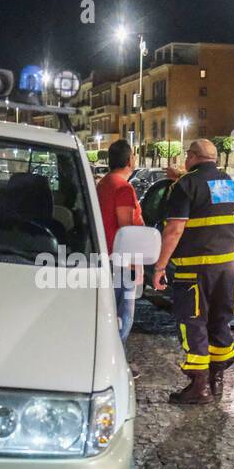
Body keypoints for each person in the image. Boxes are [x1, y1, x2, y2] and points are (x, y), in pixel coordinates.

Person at [152, 139, 234, 405]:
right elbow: (206, 197)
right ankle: (216, 380)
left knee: (194, 322)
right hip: (225, 267)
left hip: (195, 269)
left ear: (191, 156)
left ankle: (198, 387)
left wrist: (160, 265)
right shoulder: (226, 183)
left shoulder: (185, 186)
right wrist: (183, 178)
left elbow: (175, 229)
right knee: (218, 320)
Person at [96, 139, 144, 340]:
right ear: (129, 159)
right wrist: (137, 265)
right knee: (124, 316)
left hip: (106, 257)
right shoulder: (123, 188)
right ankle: (118, 359)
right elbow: (127, 230)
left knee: (109, 314)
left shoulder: (104, 183)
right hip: (121, 262)